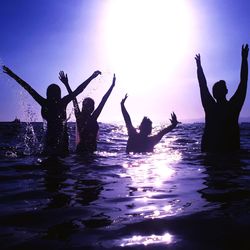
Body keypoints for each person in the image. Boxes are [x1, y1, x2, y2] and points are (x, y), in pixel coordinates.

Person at [2, 65, 101, 156]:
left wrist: (92, 77)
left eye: (55, 93)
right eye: (52, 93)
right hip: (53, 140)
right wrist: (12, 75)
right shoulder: (53, 102)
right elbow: (27, 87)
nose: (54, 96)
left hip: (59, 141)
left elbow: (79, 90)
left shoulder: (54, 102)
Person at [195, 44, 249, 153]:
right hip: (229, 159)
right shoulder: (233, 107)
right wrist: (244, 60)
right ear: (226, 91)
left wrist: (199, 67)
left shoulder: (211, 107)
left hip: (212, 160)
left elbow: (203, 86)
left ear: (214, 94)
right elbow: (243, 82)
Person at [59, 71, 116, 154]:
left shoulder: (83, 116)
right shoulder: (90, 118)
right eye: (89, 105)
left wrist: (112, 86)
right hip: (87, 152)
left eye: (91, 106)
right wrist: (112, 86)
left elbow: (73, 97)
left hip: (83, 152)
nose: (91, 108)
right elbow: (73, 98)